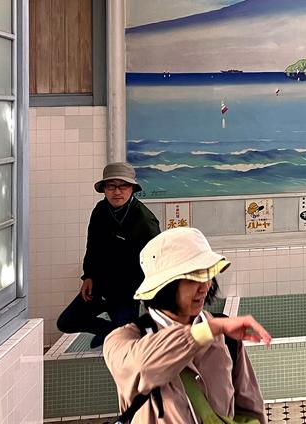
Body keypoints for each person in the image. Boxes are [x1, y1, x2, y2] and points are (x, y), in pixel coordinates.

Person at [104, 227, 271, 424]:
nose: (205, 286)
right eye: (193, 277)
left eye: (207, 275)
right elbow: (144, 367)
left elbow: (249, 404)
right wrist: (209, 330)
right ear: (165, 286)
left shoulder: (226, 336)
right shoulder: (124, 340)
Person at [57, 162, 161, 347]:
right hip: (99, 287)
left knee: (128, 342)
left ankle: (119, 334)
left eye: (123, 186)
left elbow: (157, 260)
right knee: (66, 322)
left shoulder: (145, 220)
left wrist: (151, 299)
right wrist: (88, 276)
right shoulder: (100, 211)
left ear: (132, 189)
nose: (117, 191)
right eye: (111, 186)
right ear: (104, 188)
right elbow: (92, 246)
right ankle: (110, 332)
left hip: (127, 293)